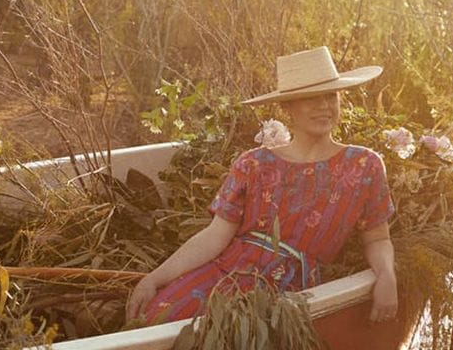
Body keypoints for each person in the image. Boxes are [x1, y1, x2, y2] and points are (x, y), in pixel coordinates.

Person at [126, 45, 398, 325]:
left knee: (238, 341)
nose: (324, 107)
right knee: (157, 316)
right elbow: (214, 236)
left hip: (289, 291)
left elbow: (377, 237)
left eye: (331, 96)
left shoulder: (364, 165)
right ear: (287, 106)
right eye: (311, 99)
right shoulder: (254, 163)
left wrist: (387, 276)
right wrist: (154, 278)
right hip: (228, 274)